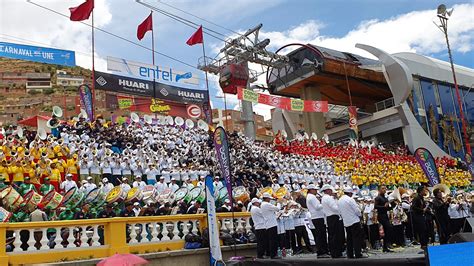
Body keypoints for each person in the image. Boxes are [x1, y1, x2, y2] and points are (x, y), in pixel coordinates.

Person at [338, 186, 366, 259]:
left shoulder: (339, 200)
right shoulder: (350, 200)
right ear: (350, 193)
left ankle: (349, 254)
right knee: (356, 238)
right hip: (354, 221)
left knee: (349, 239)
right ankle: (358, 253)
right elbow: (357, 210)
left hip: (346, 222)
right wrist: (360, 215)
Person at [321, 184, 344, 258]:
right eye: (330, 190)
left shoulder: (323, 198)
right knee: (336, 236)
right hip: (334, 217)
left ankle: (333, 252)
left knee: (331, 235)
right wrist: (340, 210)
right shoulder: (329, 198)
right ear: (327, 190)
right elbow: (335, 208)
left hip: (329, 217)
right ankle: (336, 253)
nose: (332, 192)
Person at [306, 184, 328, 257]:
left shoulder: (310, 196)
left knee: (320, 235)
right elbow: (317, 207)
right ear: (311, 190)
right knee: (320, 235)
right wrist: (324, 203)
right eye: (315, 189)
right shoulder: (312, 197)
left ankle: (323, 251)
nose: (316, 191)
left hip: (317, 217)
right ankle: (321, 252)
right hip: (317, 217)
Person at [260, 192, 280, 259]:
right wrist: (279, 202)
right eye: (269, 198)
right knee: (273, 240)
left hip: (268, 224)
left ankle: (271, 254)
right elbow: (277, 208)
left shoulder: (263, 204)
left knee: (270, 240)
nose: (270, 200)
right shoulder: (266, 204)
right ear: (267, 198)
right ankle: (273, 255)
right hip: (272, 224)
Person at [374, 185, 394, 252]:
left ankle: (385, 247)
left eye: (385, 188)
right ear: (379, 190)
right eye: (382, 188)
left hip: (385, 215)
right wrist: (384, 206)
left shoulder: (385, 198)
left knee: (387, 230)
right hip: (381, 216)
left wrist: (393, 204)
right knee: (389, 228)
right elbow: (375, 206)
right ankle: (386, 244)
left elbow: (388, 208)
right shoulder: (378, 198)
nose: (384, 189)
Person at [411, 185, 429, 252]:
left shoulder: (421, 198)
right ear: (421, 191)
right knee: (422, 231)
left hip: (421, 216)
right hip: (418, 217)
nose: (425, 191)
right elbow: (413, 207)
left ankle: (425, 245)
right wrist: (422, 210)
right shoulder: (416, 198)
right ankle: (423, 245)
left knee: (424, 230)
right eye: (424, 190)